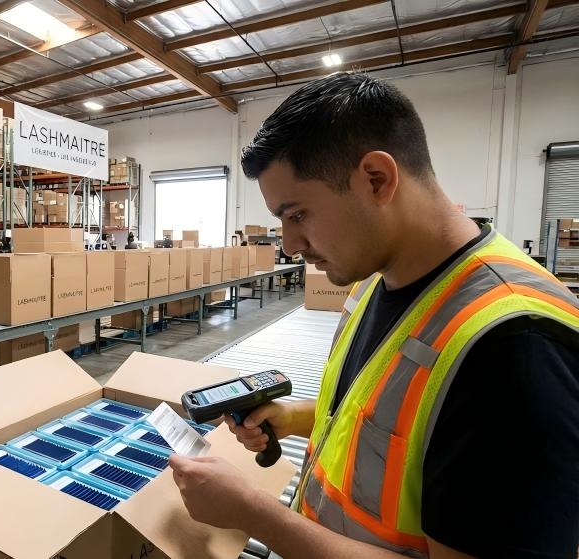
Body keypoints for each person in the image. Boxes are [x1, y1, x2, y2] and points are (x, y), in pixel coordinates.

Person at [169, 72, 579, 558]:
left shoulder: (515, 350)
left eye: (297, 214)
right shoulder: (377, 282)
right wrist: (293, 417)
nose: (289, 244)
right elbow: (386, 425)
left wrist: (255, 514)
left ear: (376, 179)